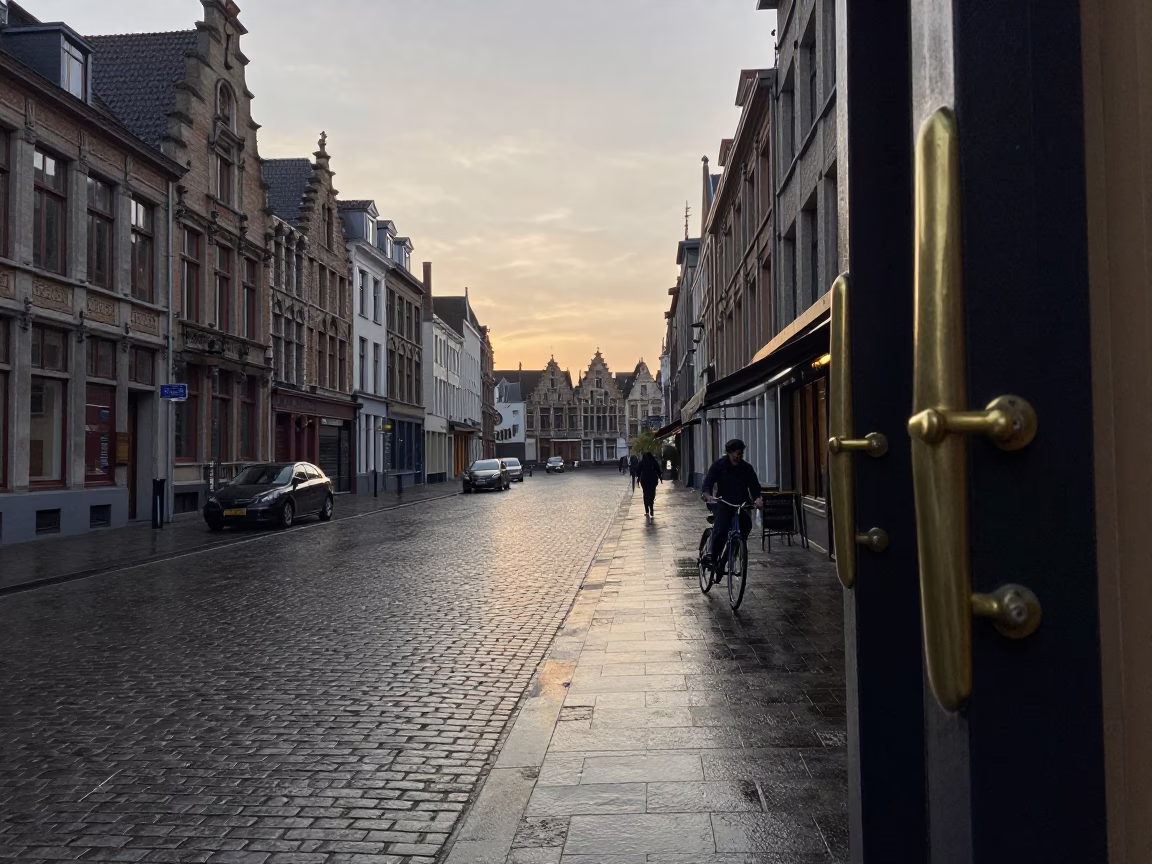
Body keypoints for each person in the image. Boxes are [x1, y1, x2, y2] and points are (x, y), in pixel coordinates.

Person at [702, 439, 764, 577]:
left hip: (741, 504)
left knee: (745, 526)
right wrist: (708, 496)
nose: (737, 457)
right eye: (735, 454)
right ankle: (712, 555)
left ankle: (729, 554)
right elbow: (708, 483)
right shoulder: (719, 466)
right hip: (723, 503)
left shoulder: (746, 468)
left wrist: (758, 498)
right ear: (729, 453)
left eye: (740, 454)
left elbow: (754, 486)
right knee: (722, 529)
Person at [638, 451, 662, 518]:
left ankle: (647, 511)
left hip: (644, 481)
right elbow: (658, 470)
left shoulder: (642, 462)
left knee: (645, 494)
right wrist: (660, 478)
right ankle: (651, 507)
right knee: (652, 494)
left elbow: (638, 471)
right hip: (652, 481)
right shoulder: (653, 461)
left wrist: (638, 479)